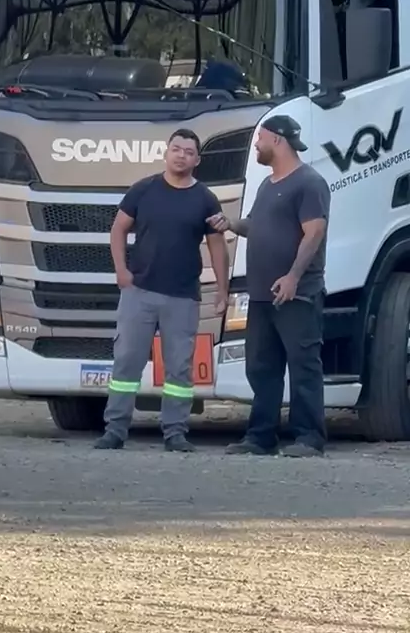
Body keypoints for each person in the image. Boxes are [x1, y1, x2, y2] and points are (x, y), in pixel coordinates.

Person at [94, 128, 229, 452]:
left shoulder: (205, 199)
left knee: (179, 367)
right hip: (138, 292)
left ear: (197, 160)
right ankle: (115, 430)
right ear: (167, 153)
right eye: (176, 149)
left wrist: (222, 290)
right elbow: (118, 229)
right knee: (127, 362)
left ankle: (175, 433)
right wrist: (121, 271)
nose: (181, 156)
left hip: (182, 297)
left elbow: (217, 247)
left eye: (188, 152)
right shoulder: (143, 190)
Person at [207, 115, 330, 458]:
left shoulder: (309, 183)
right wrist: (231, 223)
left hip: (297, 293)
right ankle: (260, 437)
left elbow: (314, 232)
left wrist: (293, 276)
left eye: (260, 138)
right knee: (261, 367)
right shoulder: (267, 184)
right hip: (261, 294)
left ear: (277, 139)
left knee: (303, 366)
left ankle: (309, 437)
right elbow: (257, 225)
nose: (256, 145)